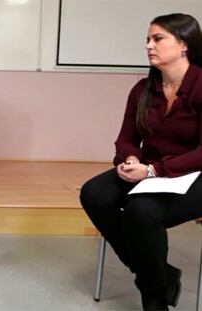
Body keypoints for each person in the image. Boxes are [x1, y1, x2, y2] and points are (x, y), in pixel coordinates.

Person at [80, 13, 202, 311]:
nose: (149, 45)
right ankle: (159, 276)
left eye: (158, 39)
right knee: (93, 193)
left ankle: (154, 297)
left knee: (141, 211)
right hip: (150, 169)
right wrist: (131, 158)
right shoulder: (143, 89)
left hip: (194, 174)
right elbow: (125, 138)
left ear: (183, 44)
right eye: (147, 40)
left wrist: (153, 170)